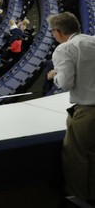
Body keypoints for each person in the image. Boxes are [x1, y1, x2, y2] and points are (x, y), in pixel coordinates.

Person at [46, 12, 95, 204]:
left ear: (58, 32)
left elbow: (65, 83)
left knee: (77, 157)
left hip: (87, 111)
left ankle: (78, 199)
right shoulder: (91, 40)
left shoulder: (64, 49)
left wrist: (54, 75)